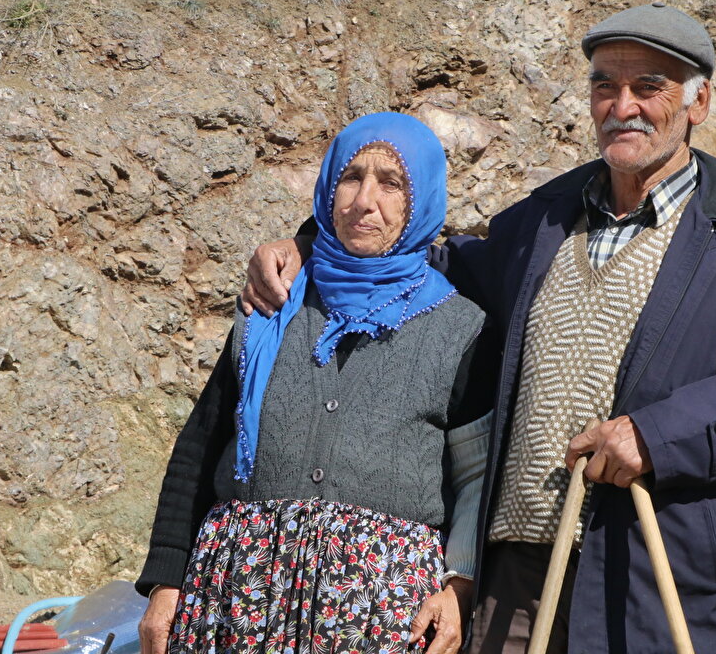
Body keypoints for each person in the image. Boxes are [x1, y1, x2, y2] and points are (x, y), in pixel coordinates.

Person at [242, 4, 716, 654]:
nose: (623, 106)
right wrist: (315, 246)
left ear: (698, 102)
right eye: (605, 86)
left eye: (649, 87)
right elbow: (426, 268)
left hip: (668, 580)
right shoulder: (544, 223)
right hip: (523, 578)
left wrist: (657, 435)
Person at [135, 112, 498, 654]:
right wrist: (166, 584)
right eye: (351, 177)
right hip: (238, 597)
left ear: (419, 202)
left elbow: (476, 477)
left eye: (390, 183)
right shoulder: (271, 305)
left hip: (381, 608)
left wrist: (459, 588)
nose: (363, 201)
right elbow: (199, 447)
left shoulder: (461, 328)